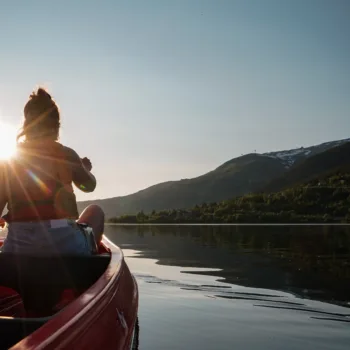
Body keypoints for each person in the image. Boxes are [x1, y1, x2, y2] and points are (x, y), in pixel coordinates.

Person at [0, 87, 104, 255]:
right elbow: (89, 186)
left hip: (17, 249)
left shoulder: (9, 162)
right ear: (56, 125)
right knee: (95, 211)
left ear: (26, 124)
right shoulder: (67, 154)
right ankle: (88, 266)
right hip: (65, 247)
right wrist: (84, 169)